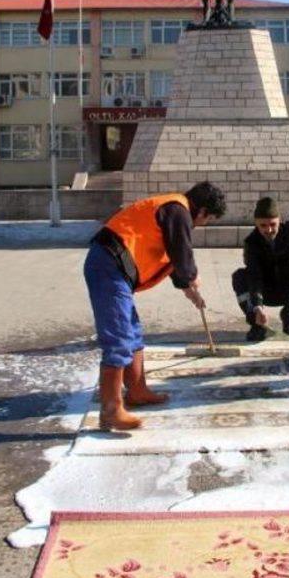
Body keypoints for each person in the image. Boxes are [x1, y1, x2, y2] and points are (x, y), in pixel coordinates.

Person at [84, 181, 227, 430]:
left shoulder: (173, 210)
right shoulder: (178, 211)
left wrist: (189, 291)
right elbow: (183, 255)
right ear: (202, 210)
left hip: (115, 267)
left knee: (132, 330)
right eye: (208, 219)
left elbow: (172, 258)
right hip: (108, 265)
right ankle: (111, 409)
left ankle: (137, 391)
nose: (203, 224)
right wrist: (192, 276)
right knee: (118, 335)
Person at [232, 196, 289, 341]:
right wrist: (257, 306)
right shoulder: (251, 243)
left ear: (279, 220)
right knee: (239, 277)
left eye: (273, 224)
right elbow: (254, 277)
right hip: (266, 290)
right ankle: (257, 324)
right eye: (263, 226)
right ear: (256, 224)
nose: (269, 230)